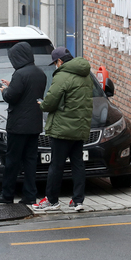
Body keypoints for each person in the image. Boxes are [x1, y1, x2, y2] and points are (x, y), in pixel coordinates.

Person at [33, 47, 93, 212]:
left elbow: (51, 101)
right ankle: (78, 200)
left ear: (59, 61)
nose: (55, 66)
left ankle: (52, 200)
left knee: (57, 165)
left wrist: (42, 104)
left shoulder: (62, 76)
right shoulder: (85, 74)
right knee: (78, 164)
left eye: (55, 63)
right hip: (79, 128)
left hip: (62, 129)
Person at [0, 42, 47, 205]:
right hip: (35, 124)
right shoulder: (40, 73)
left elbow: (11, 97)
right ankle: (30, 195)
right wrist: (11, 85)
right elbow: (27, 92)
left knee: (12, 160)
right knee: (30, 161)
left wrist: (5, 90)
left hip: (18, 125)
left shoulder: (20, 74)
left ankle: (7, 194)